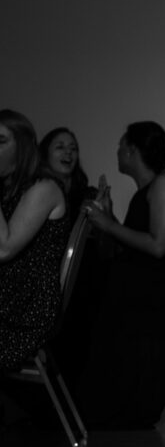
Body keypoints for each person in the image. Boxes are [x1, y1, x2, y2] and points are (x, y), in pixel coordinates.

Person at [73, 121, 165, 427]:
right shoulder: (146, 190)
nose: (117, 151)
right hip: (146, 288)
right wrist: (110, 216)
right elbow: (137, 242)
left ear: (132, 151)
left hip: (163, 294)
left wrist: (107, 224)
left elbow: (158, 246)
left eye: (121, 145)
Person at [0, 109, 68, 372]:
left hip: (24, 311)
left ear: (23, 147)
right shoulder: (8, 191)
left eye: (1, 141)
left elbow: (4, 248)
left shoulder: (44, 188)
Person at [38, 127, 98, 223]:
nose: (68, 152)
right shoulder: (36, 191)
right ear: (45, 153)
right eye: (60, 147)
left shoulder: (89, 195)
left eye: (73, 148)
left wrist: (107, 213)